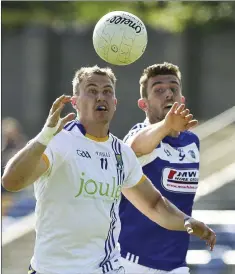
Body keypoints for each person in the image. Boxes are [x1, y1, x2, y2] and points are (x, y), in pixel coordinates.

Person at [2, 65, 216, 274]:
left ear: (115, 103)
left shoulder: (120, 152)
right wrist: (43, 137)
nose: (100, 97)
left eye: (107, 92)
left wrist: (187, 221)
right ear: (75, 102)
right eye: (92, 91)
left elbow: (154, 204)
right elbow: (11, 181)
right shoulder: (59, 142)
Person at [119, 62, 204, 274]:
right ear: (143, 104)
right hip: (132, 262)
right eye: (158, 90)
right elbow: (134, 149)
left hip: (174, 264)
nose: (168, 94)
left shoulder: (192, 141)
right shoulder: (139, 134)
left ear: (182, 98)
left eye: (174, 89)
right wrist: (166, 125)